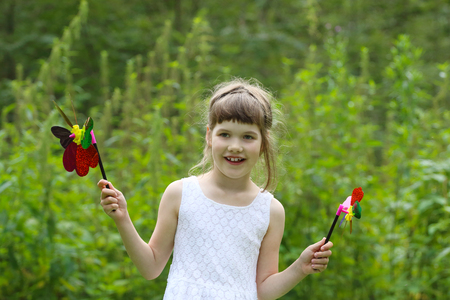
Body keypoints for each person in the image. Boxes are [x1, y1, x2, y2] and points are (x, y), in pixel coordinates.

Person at [98, 78, 334, 300]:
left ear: (264, 143)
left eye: (248, 137)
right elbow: (151, 267)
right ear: (210, 136)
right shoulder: (180, 194)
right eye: (225, 134)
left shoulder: (270, 210)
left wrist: (300, 268)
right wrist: (123, 218)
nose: (235, 146)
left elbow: (263, 289)